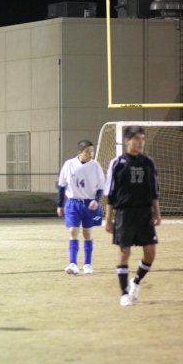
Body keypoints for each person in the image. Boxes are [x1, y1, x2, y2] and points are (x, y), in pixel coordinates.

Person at [104, 125, 161, 307]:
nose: (141, 142)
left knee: (150, 254)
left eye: (143, 139)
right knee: (124, 252)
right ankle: (123, 293)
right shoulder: (117, 163)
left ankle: (135, 282)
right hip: (124, 214)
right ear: (128, 140)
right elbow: (110, 194)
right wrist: (108, 219)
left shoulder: (148, 163)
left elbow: (154, 191)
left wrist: (157, 213)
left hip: (144, 213)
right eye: (137, 138)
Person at [57, 139, 105, 274]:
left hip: (89, 203)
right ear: (80, 152)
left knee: (87, 233)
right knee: (73, 231)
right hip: (73, 203)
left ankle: (88, 264)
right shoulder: (69, 164)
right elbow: (61, 185)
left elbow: (101, 186)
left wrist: (96, 200)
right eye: (87, 151)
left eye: (92, 151)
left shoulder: (95, 166)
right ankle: (72, 264)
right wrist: (59, 204)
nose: (90, 154)